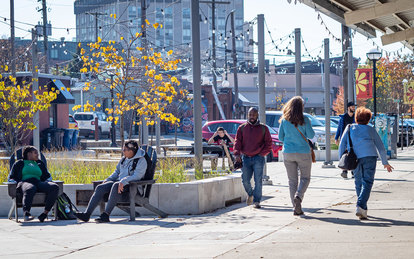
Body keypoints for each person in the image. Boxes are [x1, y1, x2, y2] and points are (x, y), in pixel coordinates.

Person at [339, 107, 393, 220]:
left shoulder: (349, 128)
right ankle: (361, 206)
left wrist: (342, 161)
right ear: (368, 119)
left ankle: (362, 208)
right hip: (370, 157)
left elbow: (341, 144)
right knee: (367, 182)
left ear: (356, 118)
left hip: (355, 158)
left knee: (358, 182)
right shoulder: (371, 129)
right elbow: (380, 146)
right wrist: (385, 162)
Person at [75, 140, 147, 223]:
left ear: (131, 151)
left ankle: (106, 215)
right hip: (120, 185)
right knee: (100, 187)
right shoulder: (124, 159)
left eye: (124, 150)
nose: (123, 152)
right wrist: (108, 180)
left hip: (132, 188)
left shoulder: (141, 161)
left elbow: (137, 176)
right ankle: (87, 214)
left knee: (116, 185)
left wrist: (124, 181)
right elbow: (116, 172)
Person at [278, 96, 315, 216]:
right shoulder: (305, 119)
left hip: (288, 152)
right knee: (305, 178)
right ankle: (298, 196)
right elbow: (310, 134)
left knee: (292, 181)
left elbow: (280, 138)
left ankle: (295, 208)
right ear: (302, 107)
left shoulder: (284, 120)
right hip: (303, 152)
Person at [8, 146, 60, 222]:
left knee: (54, 187)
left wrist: (48, 182)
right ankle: (26, 213)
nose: (37, 155)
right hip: (25, 182)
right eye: (35, 153)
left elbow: (48, 176)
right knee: (30, 188)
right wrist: (15, 184)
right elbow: (11, 177)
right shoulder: (19, 163)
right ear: (29, 154)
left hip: (38, 182)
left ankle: (44, 214)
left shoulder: (40, 163)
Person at [233, 107, 272, 209]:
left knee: (258, 180)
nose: (252, 117)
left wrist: (262, 154)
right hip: (245, 158)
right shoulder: (242, 128)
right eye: (250, 115)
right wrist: (237, 154)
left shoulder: (264, 128)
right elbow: (237, 142)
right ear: (247, 115)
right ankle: (250, 194)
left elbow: (268, 143)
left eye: (254, 115)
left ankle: (257, 201)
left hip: (258, 158)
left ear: (257, 115)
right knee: (245, 180)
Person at [335, 101, 356, 179]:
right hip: (344, 138)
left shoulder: (355, 117)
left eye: (354, 107)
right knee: (343, 154)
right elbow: (339, 128)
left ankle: (353, 171)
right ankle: (344, 171)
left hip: (353, 138)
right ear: (348, 107)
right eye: (352, 106)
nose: (353, 108)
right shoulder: (343, 117)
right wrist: (336, 138)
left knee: (353, 153)